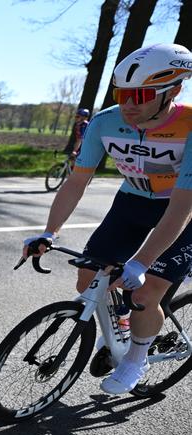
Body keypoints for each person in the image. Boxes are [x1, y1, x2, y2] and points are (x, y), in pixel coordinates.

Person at [23, 43, 192, 395]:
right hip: (132, 201)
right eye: (122, 94)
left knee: (145, 291)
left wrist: (142, 262)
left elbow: (180, 207)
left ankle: (135, 358)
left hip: (183, 211)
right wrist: (48, 232)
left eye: (141, 94)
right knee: (88, 278)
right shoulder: (105, 122)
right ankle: (124, 326)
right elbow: (76, 181)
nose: (129, 105)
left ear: (173, 90)